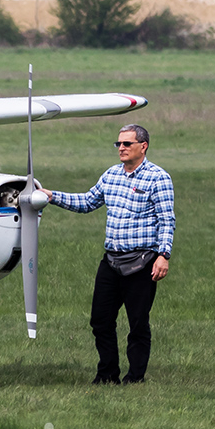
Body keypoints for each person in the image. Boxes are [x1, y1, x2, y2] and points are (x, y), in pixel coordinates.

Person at [39, 124, 175, 384]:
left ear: (143, 146)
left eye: (127, 144)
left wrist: (163, 255)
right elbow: (88, 202)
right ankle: (107, 375)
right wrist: (51, 196)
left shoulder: (158, 177)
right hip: (111, 261)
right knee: (100, 321)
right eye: (118, 144)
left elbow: (166, 219)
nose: (121, 148)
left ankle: (135, 378)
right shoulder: (111, 175)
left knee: (137, 325)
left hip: (142, 262)